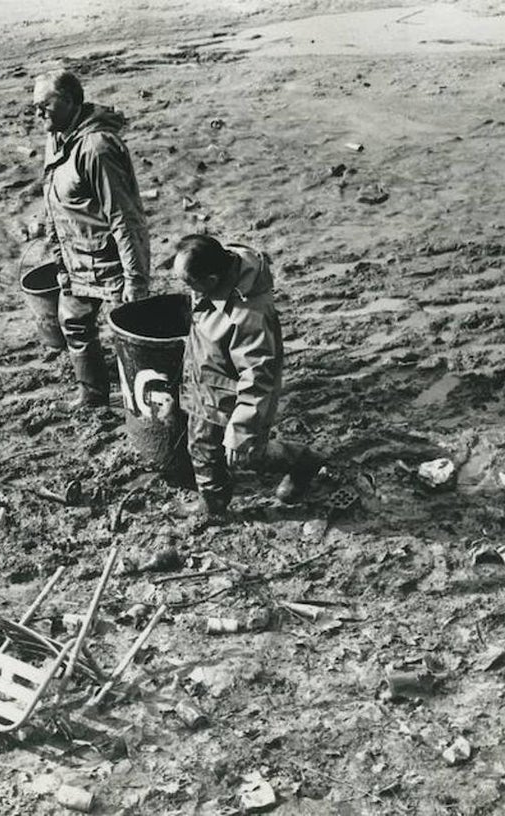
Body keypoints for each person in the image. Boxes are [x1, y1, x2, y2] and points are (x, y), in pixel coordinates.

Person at [176, 234, 325, 518]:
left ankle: (303, 461)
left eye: (190, 284)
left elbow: (258, 377)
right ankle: (213, 504)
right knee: (202, 446)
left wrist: (241, 430)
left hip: (232, 395)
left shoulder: (248, 316)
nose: (188, 291)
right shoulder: (219, 272)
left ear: (210, 280)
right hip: (208, 381)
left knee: (246, 453)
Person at [33, 69, 151, 410]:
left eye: (45, 105)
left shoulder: (98, 148)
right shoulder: (56, 139)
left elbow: (125, 217)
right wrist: (59, 261)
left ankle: (144, 407)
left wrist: (136, 281)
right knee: (73, 324)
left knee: (130, 338)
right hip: (75, 259)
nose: (38, 113)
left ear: (70, 101)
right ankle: (92, 396)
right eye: (35, 107)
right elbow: (55, 204)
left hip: (111, 262)